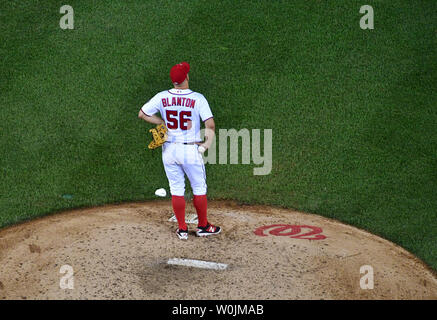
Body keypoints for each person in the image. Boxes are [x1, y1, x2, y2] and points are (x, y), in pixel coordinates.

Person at [138, 62, 221, 240]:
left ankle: (182, 229)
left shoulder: (161, 97)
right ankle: (203, 226)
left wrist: (161, 122)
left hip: (169, 149)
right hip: (190, 149)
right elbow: (210, 125)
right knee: (199, 188)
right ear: (186, 78)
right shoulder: (198, 98)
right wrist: (205, 146)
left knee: (176, 189)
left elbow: (142, 114)